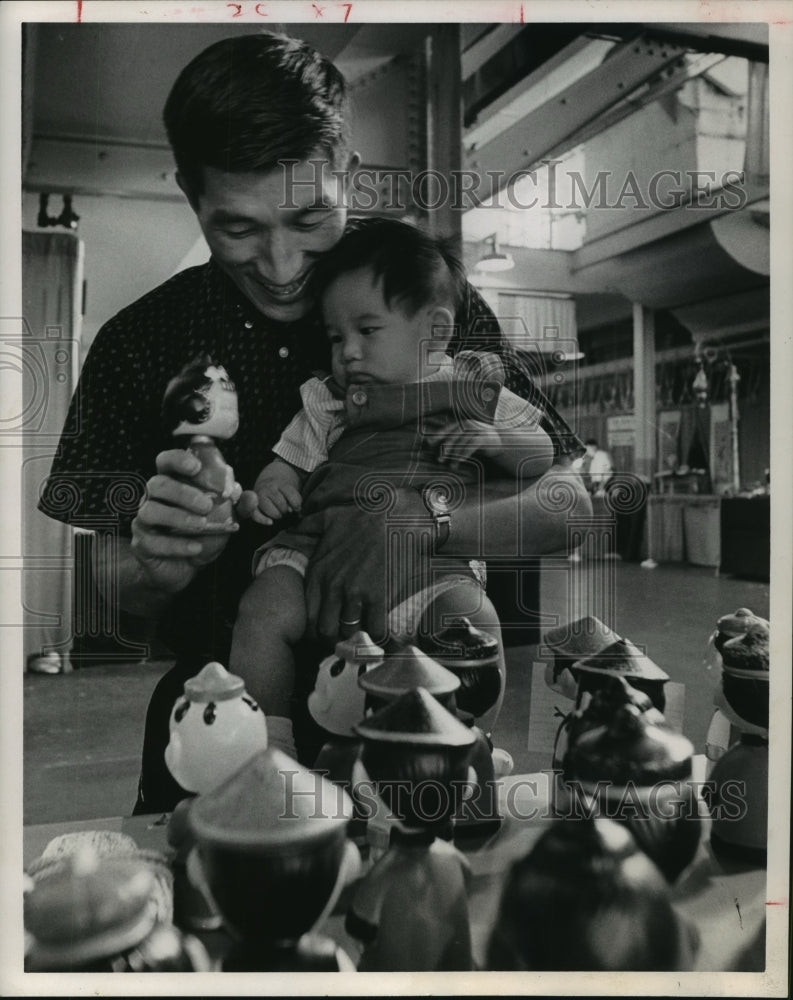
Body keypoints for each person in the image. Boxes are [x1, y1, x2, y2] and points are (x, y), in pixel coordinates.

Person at [38, 32, 589, 813]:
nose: (284, 264)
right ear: (188, 194)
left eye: (309, 219)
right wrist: (153, 567)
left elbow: (570, 505)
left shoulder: (417, 293)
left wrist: (421, 521)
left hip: (417, 720)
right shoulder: (139, 342)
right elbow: (109, 581)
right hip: (217, 728)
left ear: (350, 178)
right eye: (238, 229)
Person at [228, 219, 555, 753]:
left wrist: (493, 438)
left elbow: (540, 456)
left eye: (368, 330)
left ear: (436, 331)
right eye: (336, 338)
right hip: (321, 552)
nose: (348, 353)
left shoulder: (471, 390)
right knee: (263, 609)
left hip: (434, 568)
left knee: (475, 623)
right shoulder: (328, 399)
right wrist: (273, 484)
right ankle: (270, 741)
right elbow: (288, 461)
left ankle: (469, 743)